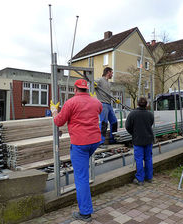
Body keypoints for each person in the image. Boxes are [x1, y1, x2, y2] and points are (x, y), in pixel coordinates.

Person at [50, 79, 102, 222]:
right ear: (87, 89)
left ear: (75, 89)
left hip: (80, 143)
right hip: (95, 141)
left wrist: (54, 110)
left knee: (81, 178)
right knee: (83, 171)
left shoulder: (71, 103)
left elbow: (58, 122)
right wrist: (90, 100)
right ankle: (85, 208)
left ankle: (85, 213)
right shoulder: (96, 102)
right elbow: (99, 109)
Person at [125, 97, 154, 186]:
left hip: (138, 140)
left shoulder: (132, 114)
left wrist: (133, 133)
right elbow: (151, 123)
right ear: (146, 105)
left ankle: (140, 179)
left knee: (139, 159)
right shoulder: (150, 114)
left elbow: (128, 126)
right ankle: (149, 177)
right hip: (148, 139)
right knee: (148, 159)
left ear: (137, 104)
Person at [95, 67, 120, 146]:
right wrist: (93, 84)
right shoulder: (100, 80)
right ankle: (101, 142)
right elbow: (90, 84)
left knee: (114, 122)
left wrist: (114, 100)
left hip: (109, 104)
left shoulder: (108, 83)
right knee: (104, 123)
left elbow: (107, 94)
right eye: (112, 73)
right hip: (103, 104)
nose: (112, 74)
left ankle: (113, 139)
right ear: (108, 72)